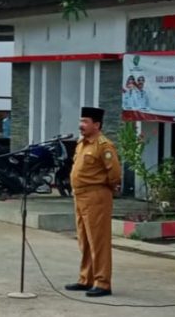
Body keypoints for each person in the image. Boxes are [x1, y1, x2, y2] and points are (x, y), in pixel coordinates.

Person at [63, 107, 121, 297]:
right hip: (80, 196)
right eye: (81, 121)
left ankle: (102, 282)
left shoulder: (103, 145)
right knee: (84, 239)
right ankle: (86, 279)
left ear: (96, 125)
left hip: (96, 196)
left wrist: (105, 189)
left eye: (85, 122)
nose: (81, 125)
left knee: (98, 240)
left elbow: (114, 173)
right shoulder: (81, 143)